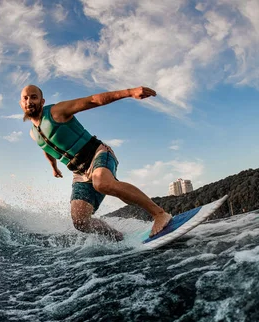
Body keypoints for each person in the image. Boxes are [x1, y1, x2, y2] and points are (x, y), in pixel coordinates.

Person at [19, 85, 172, 241]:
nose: (29, 101)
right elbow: (46, 148)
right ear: (21, 103)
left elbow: (92, 100)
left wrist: (129, 93)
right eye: (25, 98)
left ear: (42, 101)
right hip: (79, 172)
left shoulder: (56, 111)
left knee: (102, 183)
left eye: (34, 97)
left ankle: (160, 214)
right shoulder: (33, 133)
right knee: (80, 221)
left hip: (97, 153)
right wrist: (54, 167)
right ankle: (118, 238)